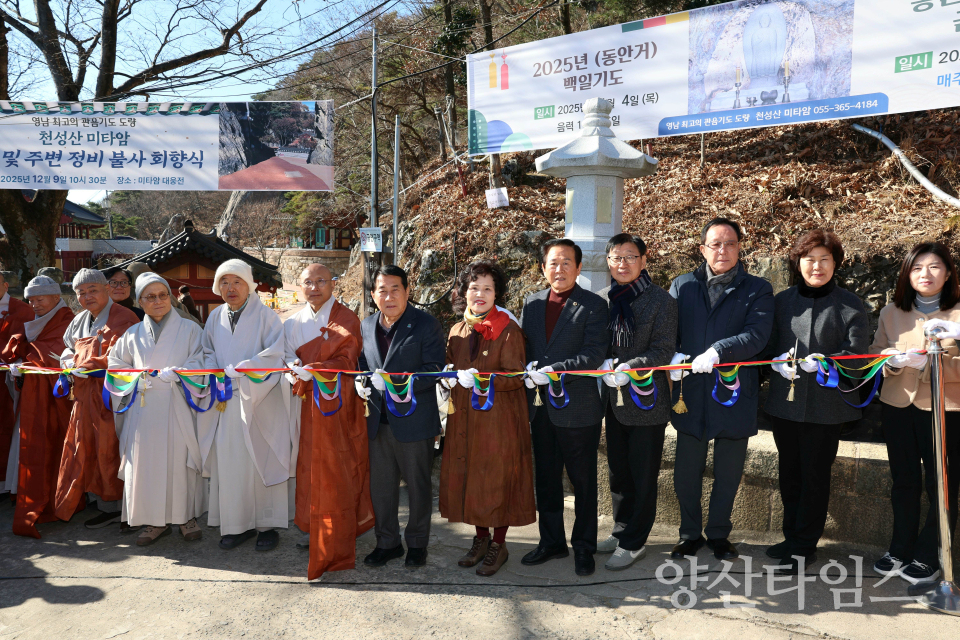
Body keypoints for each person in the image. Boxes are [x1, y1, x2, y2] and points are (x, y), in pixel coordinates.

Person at [763, 230, 870, 574]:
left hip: (827, 407)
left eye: (825, 259)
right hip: (786, 403)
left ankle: (804, 546)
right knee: (789, 472)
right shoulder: (782, 302)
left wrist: (828, 362)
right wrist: (775, 363)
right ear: (798, 263)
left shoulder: (851, 305)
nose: (817, 266)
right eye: (810, 259)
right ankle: (791, 535)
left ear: (836, 263)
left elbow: (858, 357)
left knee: (814, 475)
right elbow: (767, 347)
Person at [668, 217, 774, 561]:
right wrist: (671, 354)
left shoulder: (757, 289)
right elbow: (668, 330)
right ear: (702, 249)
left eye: (730, 243)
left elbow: (757, 336)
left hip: (733, 393)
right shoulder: (682, 285)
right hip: (691, 393)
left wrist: (719, 351)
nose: (723, 250)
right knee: (686, 470)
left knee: (728, 472)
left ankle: (718, 534)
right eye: (715, 244)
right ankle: (688, 533)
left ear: (740, 247)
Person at [869, 242, 960, 585]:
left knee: (944, 484)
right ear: (907, 272)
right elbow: (875, 352)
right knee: (904, 481)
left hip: (946, 409)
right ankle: (899, 548)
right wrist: (889, 360)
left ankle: (931, 553)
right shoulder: (891, 312)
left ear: (948, 273)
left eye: (935, 266)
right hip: (897, 407)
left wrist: (935, 363)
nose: (925, 273)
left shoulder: (958, 314)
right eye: (918, 267)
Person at [519, 239, 610, 577]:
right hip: (540, 407)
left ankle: (584, 547)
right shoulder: (531, 304)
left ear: (579, 267)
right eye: (553, 263)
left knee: (583, 481)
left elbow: (593, 354)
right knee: (545, 478)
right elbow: (524, 349)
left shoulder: (593, 306)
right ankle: (551, 541)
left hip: (578, 406)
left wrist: (557, 370)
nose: (559, 269)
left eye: (566, 263)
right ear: (543, 268)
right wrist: (527, 369)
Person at [439, 261, 535, 577]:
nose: (480, 294)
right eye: (474, 287)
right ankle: (480, 538)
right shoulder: (456, 329)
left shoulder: (507, 328)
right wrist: (449, 377)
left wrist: (482, 379)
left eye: (487, 288)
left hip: (500, 420)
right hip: (465, 418)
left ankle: (499, 543)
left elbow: (516, 375)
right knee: (472, 477)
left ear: (497, 294)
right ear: (464, 292)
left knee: (497, 479)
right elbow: (450, 365)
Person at [283, 264, 374, 579]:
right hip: (303, 404)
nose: (314, 287)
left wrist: (316, 368)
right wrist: (293, 364)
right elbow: (285, 355)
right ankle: (313, 528)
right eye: (308, 282)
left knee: (335, 468)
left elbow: (347, 360)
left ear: (332, 284)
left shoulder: (345, 319)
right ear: (300, 287)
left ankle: (337, 537)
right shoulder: (293, 321)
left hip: (334, 406)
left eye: (321, 281)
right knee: (308, 466)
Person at [197, 259, 293, 552]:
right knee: (232, 464)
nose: (230, 288)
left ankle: (267, 525)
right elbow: (206, 351)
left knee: (260, 460)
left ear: (249, 284)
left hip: (260, 400)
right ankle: (237, 525)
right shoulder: (215, 318)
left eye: (236, 281)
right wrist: (215, 369)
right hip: (226, 403)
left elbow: (276, 355)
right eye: (224, 282)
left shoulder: (266, 317)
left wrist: (246, 368)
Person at [596, 234, 677, 571]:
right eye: (616, 257)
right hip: (613, 399)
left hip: (647, 400)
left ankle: (635, 542)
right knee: (618, 470)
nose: (623, 263)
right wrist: (602, 363)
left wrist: (631, 366)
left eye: (630, 256)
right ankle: (621, 527)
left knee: (643, 473)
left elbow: (663, 349)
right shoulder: (602, 299)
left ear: (644, 260)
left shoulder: (661, 301)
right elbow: (596, 343)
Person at [355, 264, 444, 568]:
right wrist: (362, 382)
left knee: (418, 486)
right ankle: (387, 542)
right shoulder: (366, 326)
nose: (389, 295)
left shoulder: (425, 324)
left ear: (408, 291)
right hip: (377, 420)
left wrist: (397, 384)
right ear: (373, 294)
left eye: (396, 289)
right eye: (382, 289)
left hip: (414, 419)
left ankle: (417, 544)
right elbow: (362, 365)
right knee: (381, 488)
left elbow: (433, 370)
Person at [108, 273, 206, 546]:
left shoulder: (190, 330)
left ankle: (187, 518)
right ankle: (155, 521)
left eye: (163, 295)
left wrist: (182, 373)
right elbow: (115, 364)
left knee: (181, 462)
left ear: (170, 297)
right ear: (140, 301)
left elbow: (204, 361)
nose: (158, 301)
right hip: (144, 407)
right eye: (150, 297)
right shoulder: (132, 334)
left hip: (178, 403)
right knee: (146, 464)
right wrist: (136, 376)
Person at [55, 268, 139, 529]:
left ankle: (122, 506)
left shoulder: (124, 316)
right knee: (86, 448)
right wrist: (70, 362)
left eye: (93, 290)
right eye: (81, 292)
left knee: (112, 450)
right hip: (83, 395)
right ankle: (101, 502)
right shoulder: (80, 319)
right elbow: (67, 349)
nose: (87, 296)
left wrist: (90, 362)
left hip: (110, 396)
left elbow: (121, 354)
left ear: (106, 290)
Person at [1, 276, 76, 537]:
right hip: (32, 396)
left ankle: (57, 499)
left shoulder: (66, 319)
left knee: (54, 446)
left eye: (40, 298)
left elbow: (58, 355)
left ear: (56, 297)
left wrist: (30, 359)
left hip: (56, 399)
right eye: (31, 299)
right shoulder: (33, 320)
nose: (34, 304)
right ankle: (24, 492)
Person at [0, 272, 34, 491]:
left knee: (5, 425)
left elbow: (22, 343)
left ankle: (5, 482)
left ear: (5, 284)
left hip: (7, 378)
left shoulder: (21, 310)